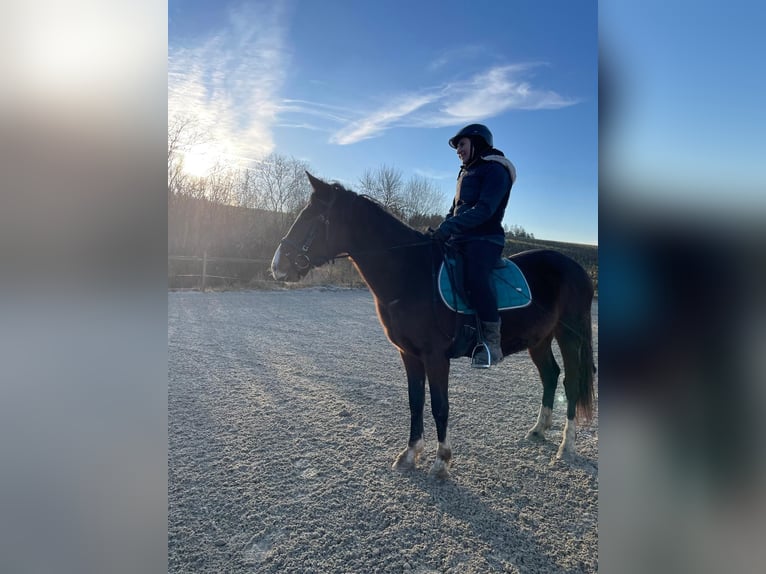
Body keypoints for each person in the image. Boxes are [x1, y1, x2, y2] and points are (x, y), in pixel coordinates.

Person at [429, 123, 516, 367]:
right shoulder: (466, 173)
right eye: (457, 147)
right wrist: (442, 229)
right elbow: (454, 210)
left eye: (462, 144)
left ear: (477, 143)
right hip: (461, 238)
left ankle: (492, 342)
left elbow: (485, 209)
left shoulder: (496, 170)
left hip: (485, 238)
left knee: (476, 277)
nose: (458, 150)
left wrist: (451, 227)